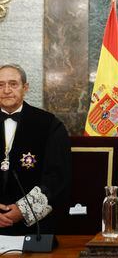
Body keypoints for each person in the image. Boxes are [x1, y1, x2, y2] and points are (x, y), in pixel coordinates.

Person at [0, 64, 71, 235]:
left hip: (34, 227)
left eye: (13, 84)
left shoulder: (49, 124)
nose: (6, 90)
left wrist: (24, 210)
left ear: (25, 88)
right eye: (0, 85)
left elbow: (58, 176)